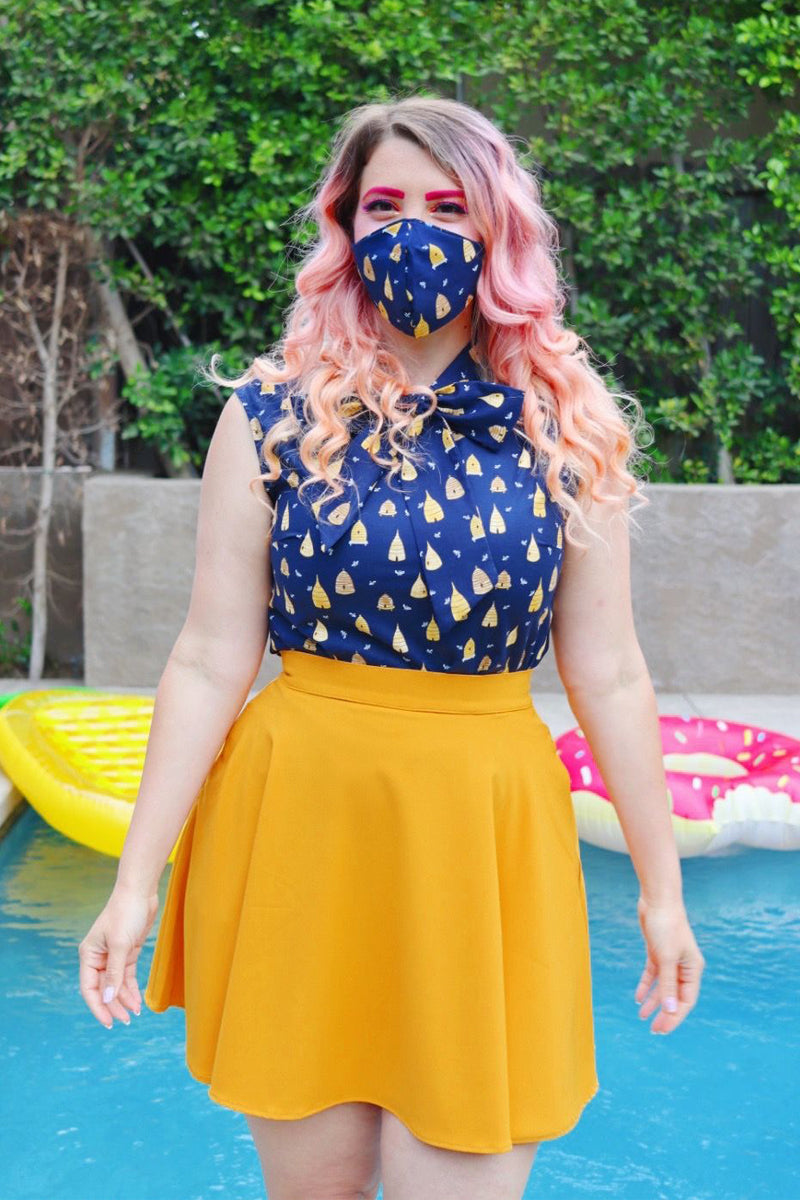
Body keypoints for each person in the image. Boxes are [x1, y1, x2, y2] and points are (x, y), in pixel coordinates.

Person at [78, 94, 705, 1200]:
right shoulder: (272, 411)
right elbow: (210, 657)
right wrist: (136, 881)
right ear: (345, 224)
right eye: (384, 205)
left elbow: (608, 672)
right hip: (301, 821)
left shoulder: (566, 421)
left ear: (495, 227)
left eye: (446, 206)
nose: (413, 230)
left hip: (479, 833)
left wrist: (662, 890)